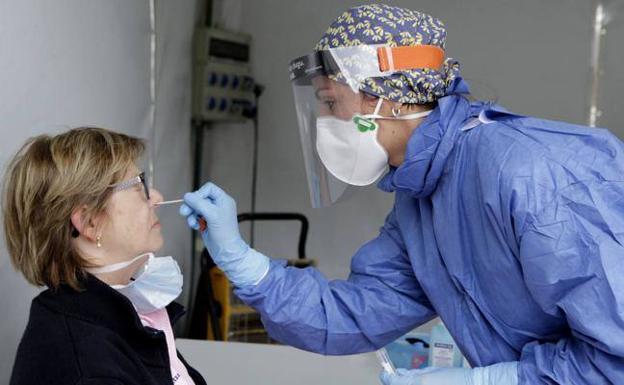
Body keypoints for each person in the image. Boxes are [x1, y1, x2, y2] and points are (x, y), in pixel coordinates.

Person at [180, 4, 624, 385]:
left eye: (332, 103)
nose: (323, 120)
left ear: (391, 100)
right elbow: (351, 316)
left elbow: (615, 357)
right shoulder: (423, 199)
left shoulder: (533, 174)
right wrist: (244, 263)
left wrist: (491, 378)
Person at [4, 127, 206, 385]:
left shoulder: (118, 321)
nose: (156, 198)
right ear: (89, 222)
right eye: (139, 185)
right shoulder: (87, 363)